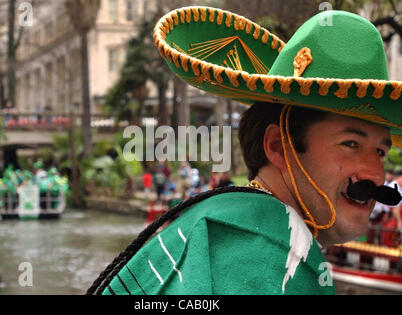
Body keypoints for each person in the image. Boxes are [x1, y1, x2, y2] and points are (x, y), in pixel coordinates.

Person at [88, 7, 402, 295]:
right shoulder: (269, 255)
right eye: (351, 144)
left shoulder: (224, 220)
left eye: (380, 151)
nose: (374, 173)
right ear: (279, 147)